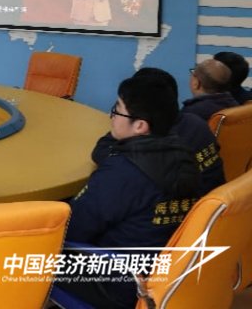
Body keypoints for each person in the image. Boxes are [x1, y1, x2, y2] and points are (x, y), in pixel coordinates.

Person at [60, 75, 201, 309]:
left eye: (118, 110)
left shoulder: (123, 172)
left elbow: (73, 228)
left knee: (17, 256)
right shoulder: (185, 156)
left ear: (140, 125)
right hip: (163, 275)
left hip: (117, 284)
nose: (112, 116)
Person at [91, 67, 224, 196]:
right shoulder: (196, 122)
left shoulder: (157, 144)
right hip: (213, 202)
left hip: (187, 204)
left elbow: (102, 152)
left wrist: (121, 130)